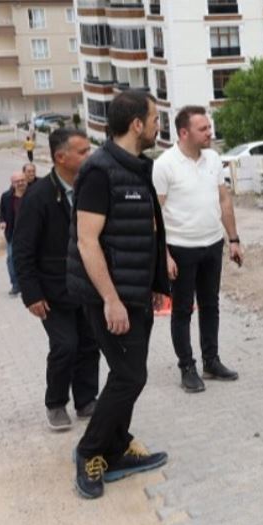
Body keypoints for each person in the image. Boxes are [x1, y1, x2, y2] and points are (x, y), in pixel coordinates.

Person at [66, 91, 170, 499]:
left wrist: (157, 284)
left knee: (131, 374)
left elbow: (145, 230)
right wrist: (111, 299)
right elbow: (87, 241)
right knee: (129, 375)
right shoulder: (99, 171)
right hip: (109, 296)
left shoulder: (139, 168)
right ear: (137, 125)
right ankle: (90, 452)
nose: (158, 124)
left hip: (135, 291)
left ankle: (117, 447)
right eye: (155, 117)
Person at [12, 129, 100, 431]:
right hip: (52, 291)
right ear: (61, 157)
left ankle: (87, 400)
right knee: (65, 345)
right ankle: (56, 403)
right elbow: (22, 250)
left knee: (89, 344)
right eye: (83, 151)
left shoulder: (91, 189)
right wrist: (31, 294)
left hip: (87, 287)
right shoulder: (39, 197)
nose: (89, 156)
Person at [152, 106, 242, 393]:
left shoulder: (214, 159)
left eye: (208, 127)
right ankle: (187, 367)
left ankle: (211, 360)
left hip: (212, 243)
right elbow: (155, 215)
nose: (210, 133)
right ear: (183, 132)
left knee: (211, 305)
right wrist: (163, 255)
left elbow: (224, 200)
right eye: (203, 129)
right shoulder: (165, 165)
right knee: (182, 310)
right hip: (181, 248)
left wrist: (234, 239)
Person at [0, 171, 28, 295]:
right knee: (11, 259)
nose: (20, 183)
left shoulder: (33, 194)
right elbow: (2, 213)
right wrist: (2, 221)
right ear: (12, 183)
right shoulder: (6, 196)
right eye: (17, 181)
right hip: (13, 233)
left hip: (32, 233)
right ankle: (16, 284)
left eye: (22, 180)